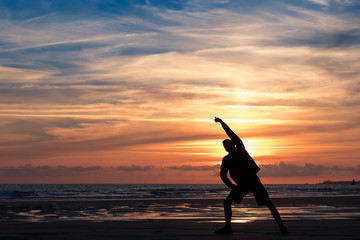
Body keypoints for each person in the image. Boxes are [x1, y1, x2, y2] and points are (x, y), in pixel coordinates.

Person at [214, 117, 288, 234]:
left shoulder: (240, 149)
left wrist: (222, 123)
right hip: (244, 184)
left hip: (252, 181)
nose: (226, 147)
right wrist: (231, 186)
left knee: (269, 203)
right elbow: (223, 175)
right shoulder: (226, 159)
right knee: (227, 202)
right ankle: (228, 227)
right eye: (225, 146)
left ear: (233, 145)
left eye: (227, 145)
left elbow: (232, 134)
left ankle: (282, 227)